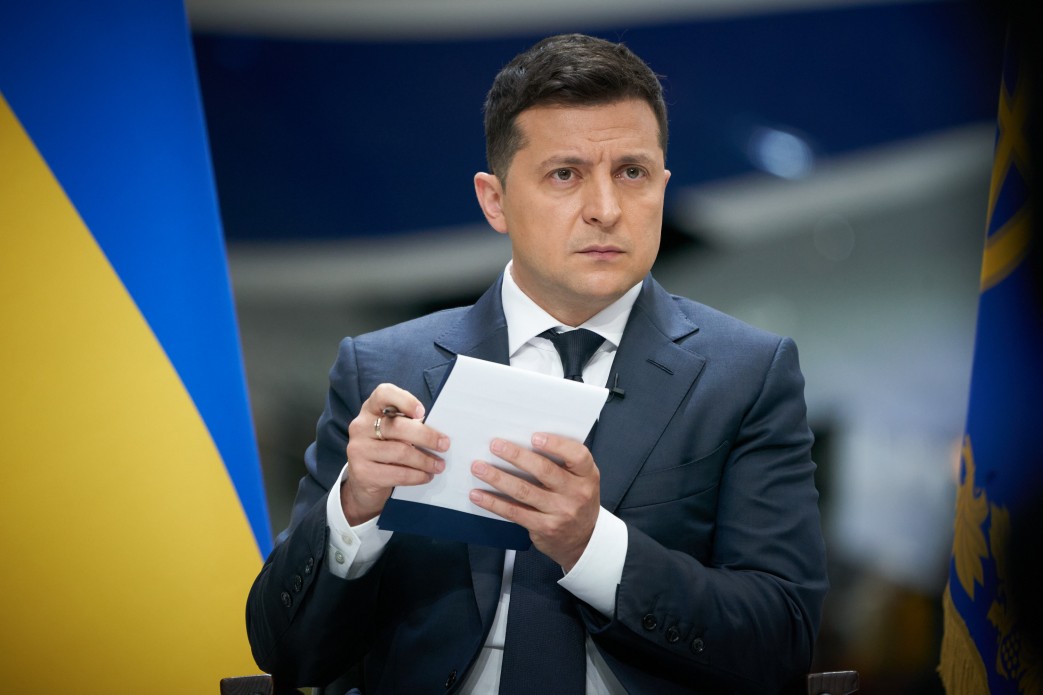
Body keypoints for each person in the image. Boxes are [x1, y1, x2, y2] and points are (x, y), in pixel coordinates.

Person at [246, 33, 828, 694]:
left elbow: (782, 638)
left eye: (632, 173)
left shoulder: (747, 374)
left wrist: (592, 546)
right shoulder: (383, 369)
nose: (605, 209)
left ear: (663, 187)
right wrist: (354, 506)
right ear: (494, 200)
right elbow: (283, 650)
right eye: (565, 175)